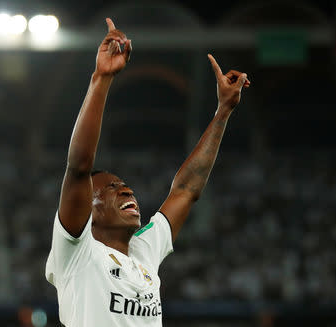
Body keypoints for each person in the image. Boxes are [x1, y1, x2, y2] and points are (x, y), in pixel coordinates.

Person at [45, 17, 250, 327]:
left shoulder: (143, 251)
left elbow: (186, 190)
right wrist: (101, 78)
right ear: (88, 210)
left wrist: (223, 112)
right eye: (111, 188)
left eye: (124, 185)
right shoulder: (77, 253)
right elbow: (79, 167)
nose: (126, 190)